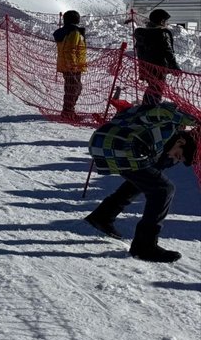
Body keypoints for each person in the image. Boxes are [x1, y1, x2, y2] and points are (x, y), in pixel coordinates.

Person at [84, 104, 196, 262]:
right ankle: (144, 247)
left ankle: (103, 215)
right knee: (164, 189)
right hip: (119, 145)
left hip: (105, 142)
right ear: (181, 142)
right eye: (178, 155)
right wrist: (193, 119)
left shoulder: (166, 143)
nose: (174, 157)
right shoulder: (168, 125)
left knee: (148, 178)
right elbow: (162, 110)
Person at [133, 10, 179, 105]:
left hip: (146, 67)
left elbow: (139, 51)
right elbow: (168, 52)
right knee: (157, 89)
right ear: (161, 21)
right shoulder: (162, 34)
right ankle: (151, 109)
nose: (167, 23)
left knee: (152, 87)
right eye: (166, 21)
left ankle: (147, 105)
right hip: (159, 68)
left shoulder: (142, 34)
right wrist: (175, 67)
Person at [54, 10, 87, 118]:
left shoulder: (65, 31)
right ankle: (68, 112)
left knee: (73, 88)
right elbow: (70, 50)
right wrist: (72, 67)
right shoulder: (74, 32)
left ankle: (68, 111)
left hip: (67, 65)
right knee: (73, 89)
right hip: (72, 66)